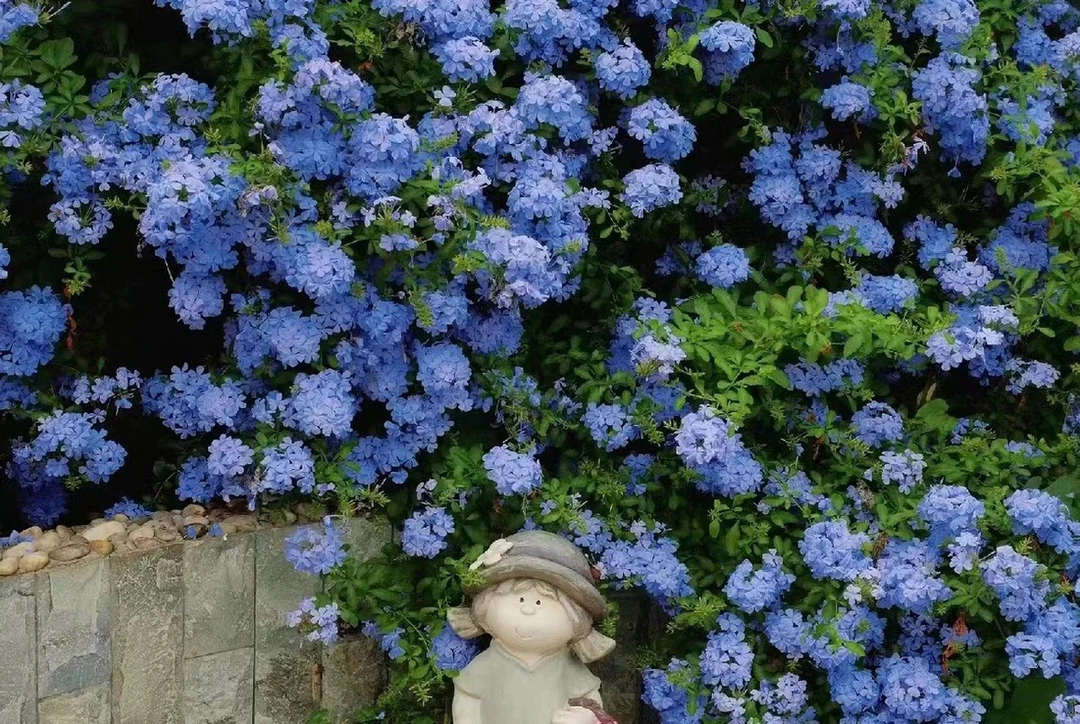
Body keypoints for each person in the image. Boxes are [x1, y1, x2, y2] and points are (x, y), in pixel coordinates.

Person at [446, 530, 618, 724]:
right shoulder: (489, 664)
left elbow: (589, 699)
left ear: (576, 617)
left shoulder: (565, 665)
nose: (528, 609)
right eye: (519, 598)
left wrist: (587, 718)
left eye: (540, 602)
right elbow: (468, 698)